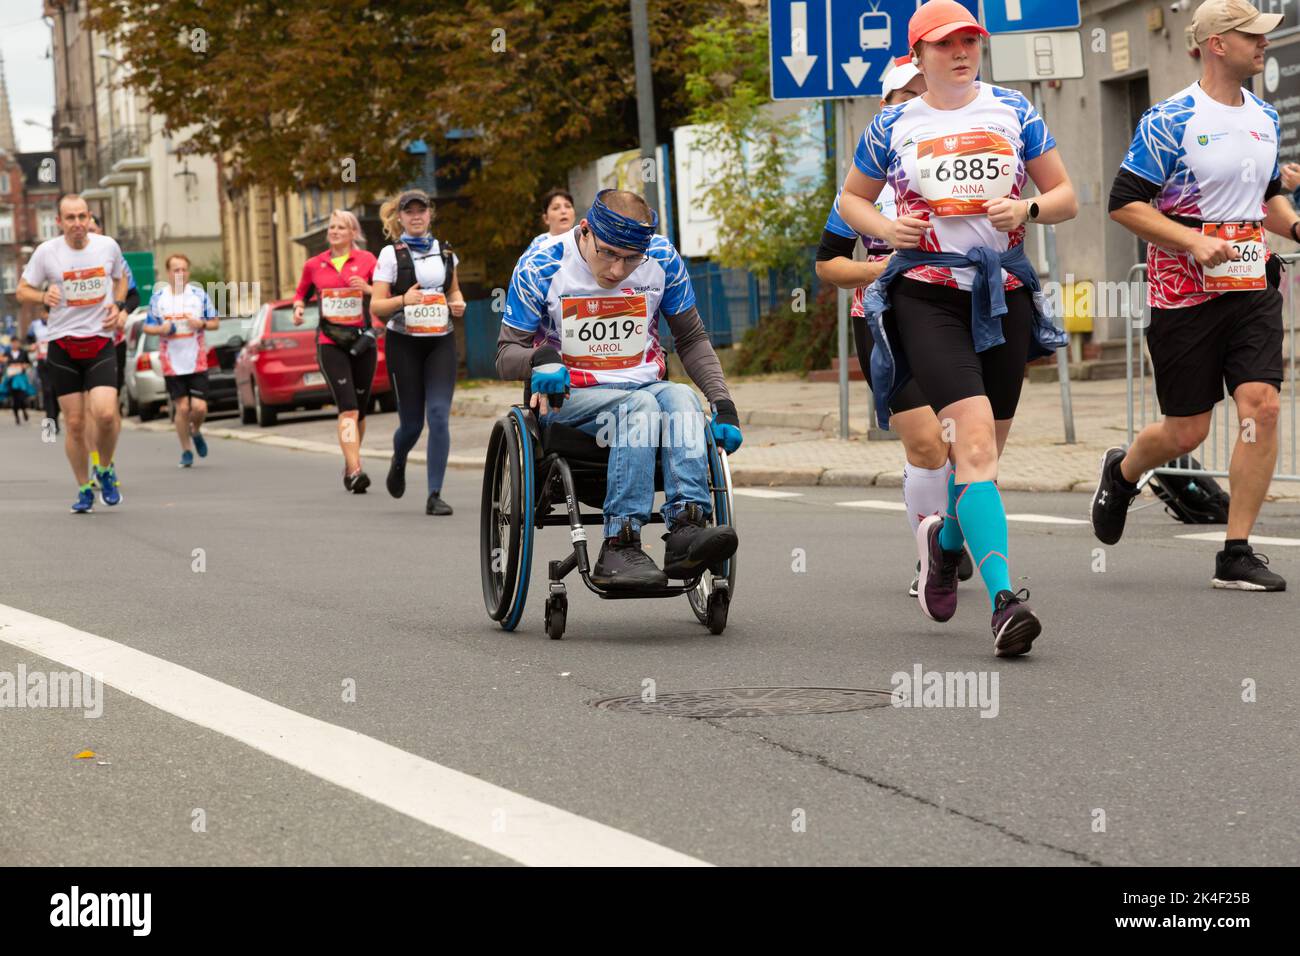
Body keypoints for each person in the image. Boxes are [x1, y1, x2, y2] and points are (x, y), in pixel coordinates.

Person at [839, 0, 1077, 656]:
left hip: (1001, 293)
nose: (961, 51)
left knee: (986, 457)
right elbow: (850, 198)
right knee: (970, 445)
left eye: (970, 39)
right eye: (945, 44)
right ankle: (1006, 601)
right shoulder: (892, 125)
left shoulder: (1014, 111)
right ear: (919, 56)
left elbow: (1066, 196)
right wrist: (886, 229)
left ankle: (945, 547)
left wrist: (1026, 204)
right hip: (925, 294)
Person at [1098, 0, 1293, 591]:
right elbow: (1123, 202)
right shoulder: (1169, 119)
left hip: (1252, 285)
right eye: (1251, 36)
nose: (1263, 44)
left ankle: (1236, 551)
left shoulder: (1263, 116)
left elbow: (1265, 200)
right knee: (1187, 431)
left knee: (1262, 405)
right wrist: (1191, 240)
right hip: (1183, 295)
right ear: (1215, 43)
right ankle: (1125, 470)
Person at [497, 188, 742, 589]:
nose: (616, 270)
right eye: (608, 253)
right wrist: (541, 359)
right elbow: (506, 353)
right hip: (571, 398)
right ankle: (620, 541)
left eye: (631, 260)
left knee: (682, 398)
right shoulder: (541, 264)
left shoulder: (662, 259)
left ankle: (685, 530)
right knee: (642, 406)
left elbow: (693, 339)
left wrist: (723, 403)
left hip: (644, 386)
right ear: (585, 231)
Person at [815, 56, 973, 596]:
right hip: (884, 322)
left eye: (922, 93)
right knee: (927, 442)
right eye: (902, 96)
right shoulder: (865, 185)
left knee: (964, 441)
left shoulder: (964, 160)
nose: (912, 104)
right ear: (885, 106)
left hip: (957, 315)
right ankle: (932, 557)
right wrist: (876, 268)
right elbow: (827, 263)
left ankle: (951, 538)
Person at [16, 193, 129, 512]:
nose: (77, 224)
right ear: (59, 222)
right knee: (76, 424)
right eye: (70, 218)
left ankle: (104, 468)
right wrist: (42, 294)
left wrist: (118, 305)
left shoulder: (107, 246)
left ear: (89, 217)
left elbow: (121, 281)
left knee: (106, 414)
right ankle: (83, 488)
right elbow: (22, 290)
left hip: (99, 341)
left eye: (82, 217)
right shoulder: (46, 253)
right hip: (63, 346)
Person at [370, 190, 465, 514]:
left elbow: (453, 289)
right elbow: (376, 304)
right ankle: (399, 459)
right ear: (400, 217)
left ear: (429, 214)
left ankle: (434, 494)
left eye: (420, 210)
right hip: (404, 343)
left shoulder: (446, 251)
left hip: (440, 340)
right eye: (408, 211)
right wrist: (402, 301)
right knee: (411, 424)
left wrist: (458, 303)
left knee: (438, 415)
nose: (415, 216)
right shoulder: (390, 254)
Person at [292, 210, 380, 492]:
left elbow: (382, 294)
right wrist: (297, 308)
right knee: (348, 409)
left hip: (362, 341)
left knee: (361, 411)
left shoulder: (368, 260)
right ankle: (355, 470)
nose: (335, 231)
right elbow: (301, 293)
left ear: (353, 233)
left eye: (341, 227)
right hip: (331, 343)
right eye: (332, 227)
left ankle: (349, 459)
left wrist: (366, 288)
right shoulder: (314, 264)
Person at [142, 254, 219, 468]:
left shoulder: (199, 295)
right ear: (168, 273)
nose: (180, 274)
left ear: (189, 272)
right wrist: (162, 329)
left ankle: (195, 430)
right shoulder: (159, 298)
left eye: (184, 269)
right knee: (182, 408)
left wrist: (201, 323)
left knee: (200, 408)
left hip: (196, 359)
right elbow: (147, 327)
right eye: (176, 270)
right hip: (172, 361)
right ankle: (186, 450)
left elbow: (215, 323)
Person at [86, 214, 139, 479]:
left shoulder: (115, 257)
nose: (89, 232)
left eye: (93, 228)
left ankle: (108, 461)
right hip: (78, 341)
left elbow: (134, 295)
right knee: (87, 410)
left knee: (108, 409)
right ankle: (96, 461)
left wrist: (124, 312)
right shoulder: (62, 256)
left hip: (110, 341)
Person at [524, 188, 576, 255]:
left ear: (574, 215)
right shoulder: (538, 244)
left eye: (568, 206)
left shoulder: (584, 239)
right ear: (546, 218)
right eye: (556, 208)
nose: (563, 211)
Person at [3, 341, 34, 424]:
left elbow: (28, 363)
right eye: (13, 343)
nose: (15, 345)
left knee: (21, 398)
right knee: (14, 399)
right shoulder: (7, 353)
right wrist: (5, 361)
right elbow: (2, 359)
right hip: (11, 378)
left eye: (16, 343)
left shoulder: (23, 353)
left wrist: (23, 365)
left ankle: (24, 411)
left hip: (21, 378)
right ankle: (17, 417)